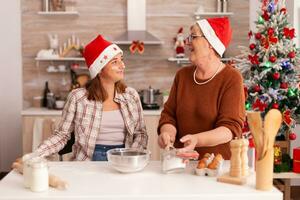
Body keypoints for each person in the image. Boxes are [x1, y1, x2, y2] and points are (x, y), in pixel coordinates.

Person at [35, 35, 148, 161]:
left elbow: (141, 134)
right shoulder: (78, 98)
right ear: (99, 69)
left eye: (121, 59)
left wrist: (131, 157)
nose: (123, 65)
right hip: (88, 161)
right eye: (115, 62)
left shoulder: (131, 95)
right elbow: (62, 135)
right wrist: (37, 154)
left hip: (123, 157)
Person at [157, 17, 245, 160]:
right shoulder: (183, 75)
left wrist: (197, 139)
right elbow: (169, 115)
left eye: (193, 37)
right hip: (181, 162)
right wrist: (167, 134)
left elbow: (229, 129)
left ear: (211, 43)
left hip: (216, 166)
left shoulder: (231, 78)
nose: (187, 42)